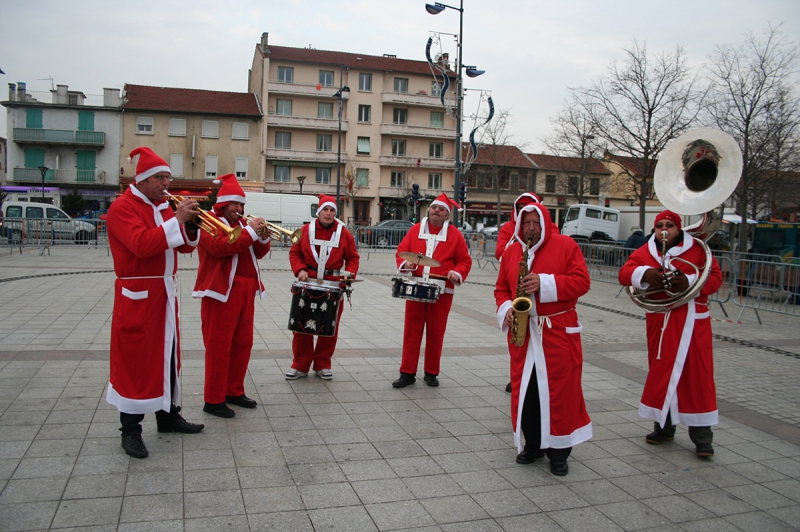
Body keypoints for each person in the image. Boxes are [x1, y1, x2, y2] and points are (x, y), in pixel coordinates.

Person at [106, 147, 204, 459]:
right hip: (138, 296)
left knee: (169, 357)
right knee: (136, 361)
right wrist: (176, 219)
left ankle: (168, 416)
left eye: (167, 177)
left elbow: (181, 248)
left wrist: (190, 225)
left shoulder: (162, 205)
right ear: (144, 180)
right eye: (160, 178)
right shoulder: (123, 207)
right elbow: (142, 245)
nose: (166, 183)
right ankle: (130, 431)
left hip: (165, 294)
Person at [494, 203, 592, 476]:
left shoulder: (566, 246)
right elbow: (501, 288)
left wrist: (545, 283)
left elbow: (582, 282)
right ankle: (533, 445)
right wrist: (507, 309)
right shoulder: (512, 251)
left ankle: (559, 452)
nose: (531, 228)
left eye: (536, 222)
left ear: (546, 222)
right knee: (527, 393)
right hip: (524, 335)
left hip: (557, 331)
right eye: (525, 223)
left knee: (559, 392)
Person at [618, 210, 722, 457]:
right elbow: (624, 274)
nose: (664, 230)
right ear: (653, 230)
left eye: (670, 226)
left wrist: (689, 280)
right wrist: (645, 274)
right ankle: (663, 428)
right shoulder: (645, 252)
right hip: (661, 322)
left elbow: (716, 278)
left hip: (692, 323)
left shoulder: (697, 249)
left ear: (679, 228)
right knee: (662, 374)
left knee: (697, 377)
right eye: (659, 226)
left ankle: (702, 438)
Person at [192, 174, 271, 418]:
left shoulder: (240, 226)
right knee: (219, 347)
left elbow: (256, 252)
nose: (240, 209)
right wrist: (249, 230)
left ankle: (233, 390)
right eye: (236, 204)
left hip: (246, 290)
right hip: (220, 292)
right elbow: (220, 248)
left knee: (242, 344)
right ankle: (213, 399)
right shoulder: (206, 221)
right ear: (223, 203)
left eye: (242, 205)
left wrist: (264, 235)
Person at [392, 194, 473, 388]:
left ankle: (431, 372)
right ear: (429, 209)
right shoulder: (415, 230)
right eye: (434, 207)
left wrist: (456, 273)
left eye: (441, 209)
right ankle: (407, 372)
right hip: (416, 287)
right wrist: (407, 265)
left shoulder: (455, 235)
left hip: (442, 291)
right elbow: (401, 251)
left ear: (447, 215)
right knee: (411, 330)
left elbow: (464, 261)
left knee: (436, 332)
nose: (437, 211)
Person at [286, 195, 359, 380]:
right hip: (307, 282)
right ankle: (300, 364)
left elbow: (352, 257)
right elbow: (294, 253)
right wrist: (300, 270)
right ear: (319, 212)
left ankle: (323, 364)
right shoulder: (305, 230)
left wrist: (349, 273)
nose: (328, 214)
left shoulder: (344, 233)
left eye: (332, 210)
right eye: (325, 210)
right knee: (301, 326)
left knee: (329, 327)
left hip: (333, 285)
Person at [495, 193, 541, 260]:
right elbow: (499, 254)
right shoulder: (507, 227)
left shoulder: (547, 226)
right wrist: (516, 243)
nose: (523, 211)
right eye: (521, 208)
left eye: (527, 207)